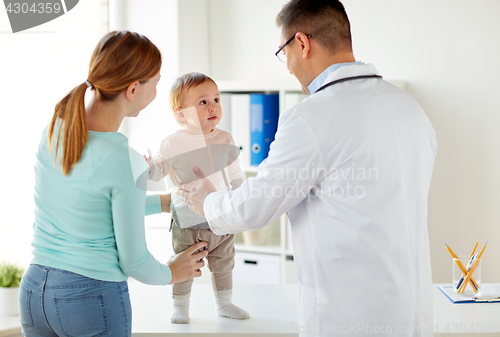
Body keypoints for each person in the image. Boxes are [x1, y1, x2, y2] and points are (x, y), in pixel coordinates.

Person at [178, 0, 437, 336]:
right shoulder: (409, 108)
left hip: (350, 319)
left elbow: (255, 208)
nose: (286, 66)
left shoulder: (312, 116)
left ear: (302, 43)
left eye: (283, 52)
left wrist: (207, 202)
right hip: (412, 316)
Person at [19, 31, 208, 337]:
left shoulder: (55, 130)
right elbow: (134, 261)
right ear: (133, 89)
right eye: (156, 83)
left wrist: (163, 203)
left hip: (34, 294)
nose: (158, 91)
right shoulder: (123, 158)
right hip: (89, 299)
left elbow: (90, 207)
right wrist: (172, 272)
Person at [146, 72, 249, 324]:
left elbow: (236, 172)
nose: (213, 106)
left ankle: (224, 303)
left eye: (216, 99)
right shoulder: (172, 143)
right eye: (203, 102)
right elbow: (156, 173)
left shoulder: (225, 138)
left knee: (223, 263)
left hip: (221, 217)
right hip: (187, 220)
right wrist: (148, 167)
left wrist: (239, 194)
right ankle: (180, 306)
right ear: (181, 114)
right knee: (185, 266)